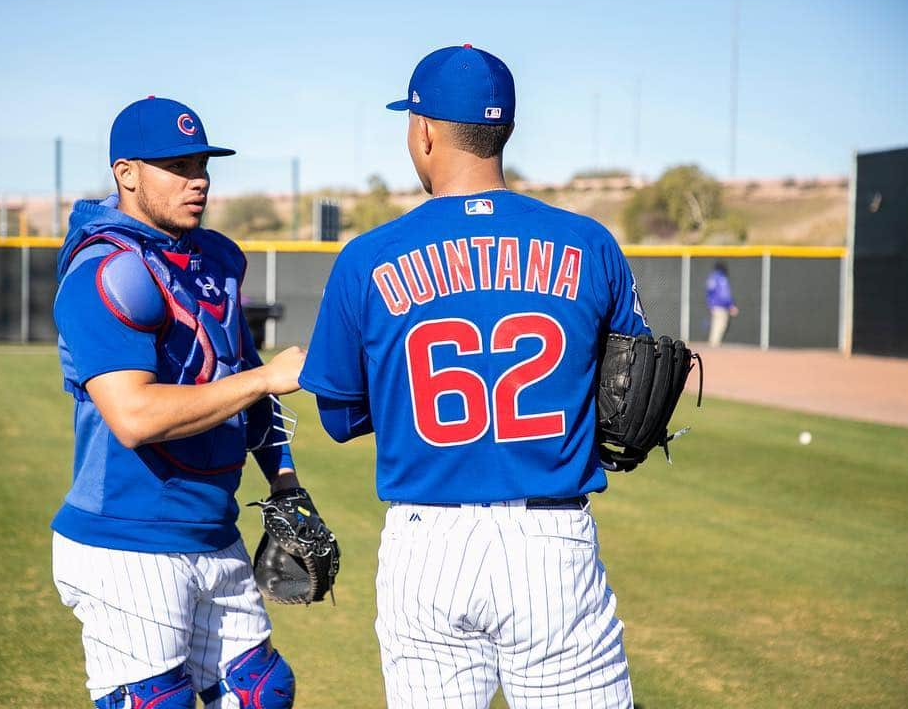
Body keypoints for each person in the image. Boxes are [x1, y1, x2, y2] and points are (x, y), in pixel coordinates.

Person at [299, 45, 647, 708]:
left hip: (426, 544)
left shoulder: (368, 257)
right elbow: (632, 390)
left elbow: (340, 419)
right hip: (551, 539)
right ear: (503, 130)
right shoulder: (590, 243)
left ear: (424, 130)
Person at [51, 96, 307, 709]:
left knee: (259, 693)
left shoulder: (215, 260)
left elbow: (239, 374)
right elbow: (135, 418)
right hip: (128, 539)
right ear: (127, 172)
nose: (198, 180)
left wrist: (286, 482)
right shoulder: (104, 270)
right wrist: (263, 380)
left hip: (213, 532)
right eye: (177, 166)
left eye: (202, 164)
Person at [706, 261, 738, 347]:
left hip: (713, 305)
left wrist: (710, 303)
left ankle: (713, 343)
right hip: (721, 305)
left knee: (715, 324)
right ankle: (714, 345)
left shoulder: (712, 277)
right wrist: (730, 305)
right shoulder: (722, 278)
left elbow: (709, 291)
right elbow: (724, 294)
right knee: (721, 325)